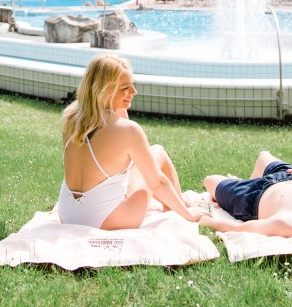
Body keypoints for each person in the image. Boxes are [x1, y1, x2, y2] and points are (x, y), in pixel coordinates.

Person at [58, 54, 207, 230]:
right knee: (157, 153)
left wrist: (119, 104)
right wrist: (189, 216)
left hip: (67, 213)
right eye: (125, 88)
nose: (134, 92)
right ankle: (178, 208)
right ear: (105, 90)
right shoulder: (128, 130)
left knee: (152, 156)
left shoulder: (72, 118)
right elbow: (157, 182)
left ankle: (174, 204)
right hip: (103, 221)